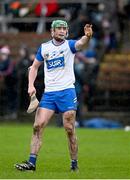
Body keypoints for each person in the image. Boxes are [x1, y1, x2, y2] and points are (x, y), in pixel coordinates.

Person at [15, 19, 93, 172]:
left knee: (69, 128)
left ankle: (74, 164)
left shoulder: (69, 46)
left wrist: (87, 37)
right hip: (49, 94)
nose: (62, 31)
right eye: (59, 28)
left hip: (67, 92)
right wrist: (31, 85)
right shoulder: (44, 48)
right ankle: (31, 163)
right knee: (37, 126)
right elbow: (34, 67)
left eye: (64, 28)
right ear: (52, 31)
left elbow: (80, 44)